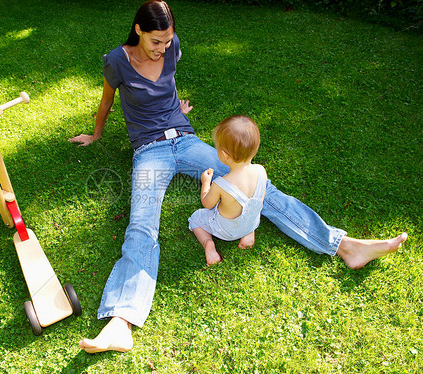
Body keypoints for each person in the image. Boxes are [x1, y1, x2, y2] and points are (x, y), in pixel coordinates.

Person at [68, 0, 407, 353]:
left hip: (186, 141)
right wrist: (96, 134)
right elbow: (107, 99)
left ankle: (344, 245)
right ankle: (121, 320)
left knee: (260, 188)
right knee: (141, 223)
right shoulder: (117, 61)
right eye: (156, 42)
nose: (163, 49)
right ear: (138, 30)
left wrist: (175, 110)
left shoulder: (173, 47)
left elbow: (166, 83)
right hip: (149, 151)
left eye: (167, 42)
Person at [189, 115, 267, 265]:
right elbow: (259, 201)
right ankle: (249, 232)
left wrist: (206, 183)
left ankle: (208, 244)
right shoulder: (260, 170)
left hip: (227, 231)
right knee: (250, 208)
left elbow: (207, 203)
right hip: (252, 221)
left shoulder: (221, 184)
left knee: (196, 218)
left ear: (224, 155)